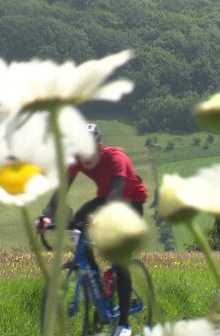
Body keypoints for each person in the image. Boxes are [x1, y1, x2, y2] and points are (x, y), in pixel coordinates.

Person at [37, 122, 148, 336]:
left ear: (98, 146)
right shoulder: (78, 160)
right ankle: (94, 275)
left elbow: (116, 193)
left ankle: (124, 324)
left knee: (119, 257)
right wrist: (47, 217)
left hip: (130, 201)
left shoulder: (116, 158)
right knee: (79, 220)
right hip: (105, 198)